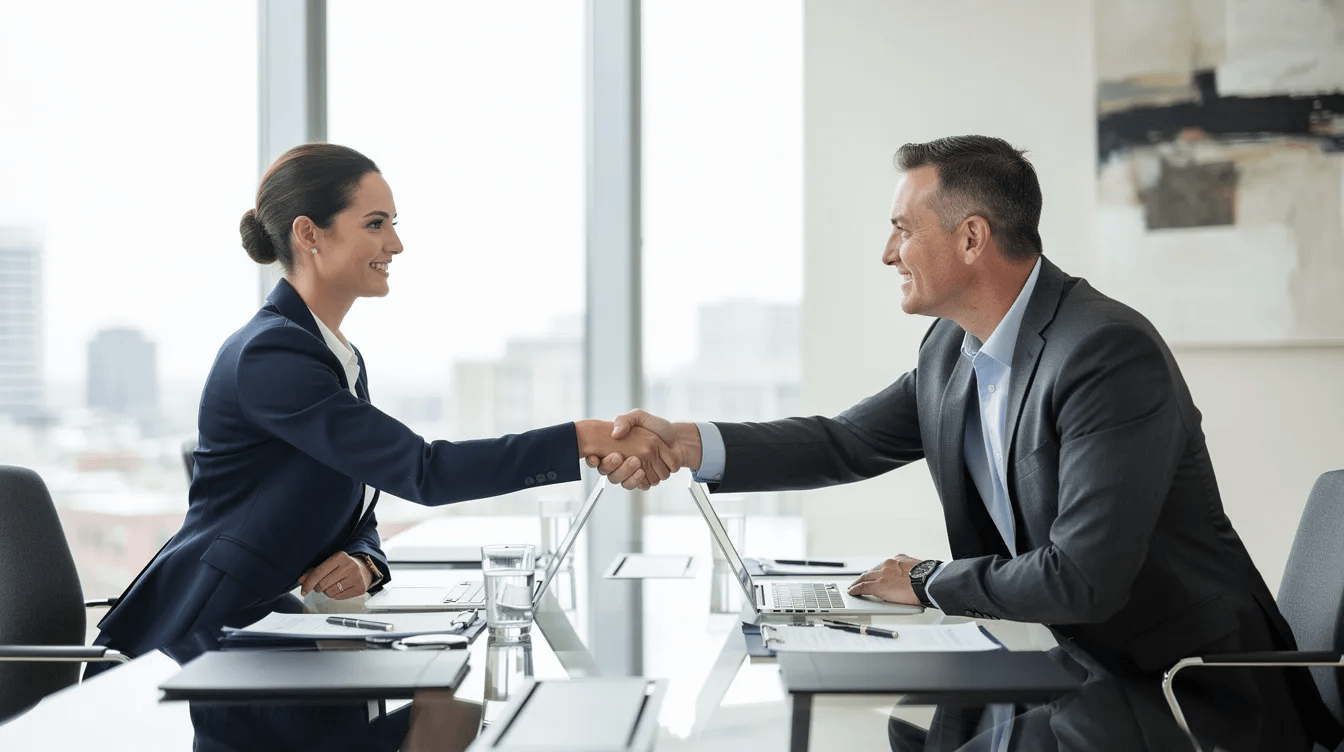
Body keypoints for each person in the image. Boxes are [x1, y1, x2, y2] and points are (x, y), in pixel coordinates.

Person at [589, 136, 1342, 751]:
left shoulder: (1106, 354)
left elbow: (1083, 580)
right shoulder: (951, 353)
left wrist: (927, 581)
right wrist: (686, 441)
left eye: (903, 228)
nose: (888, 252)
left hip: (1187, 689)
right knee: (911, 724)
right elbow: (844, 442)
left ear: (972, 236)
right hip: (1089, 664)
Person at [90, 143, 677, 672]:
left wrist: (366, 561)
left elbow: (356, 504)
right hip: (217, 636)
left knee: (453, 712)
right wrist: (580, 438)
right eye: (375, 224)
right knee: (453, 715)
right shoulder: (272, 355)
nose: (394, 244)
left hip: (283, 625)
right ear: (310, 234)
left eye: (393, 225)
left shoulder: (330, 351)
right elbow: (420, 471)